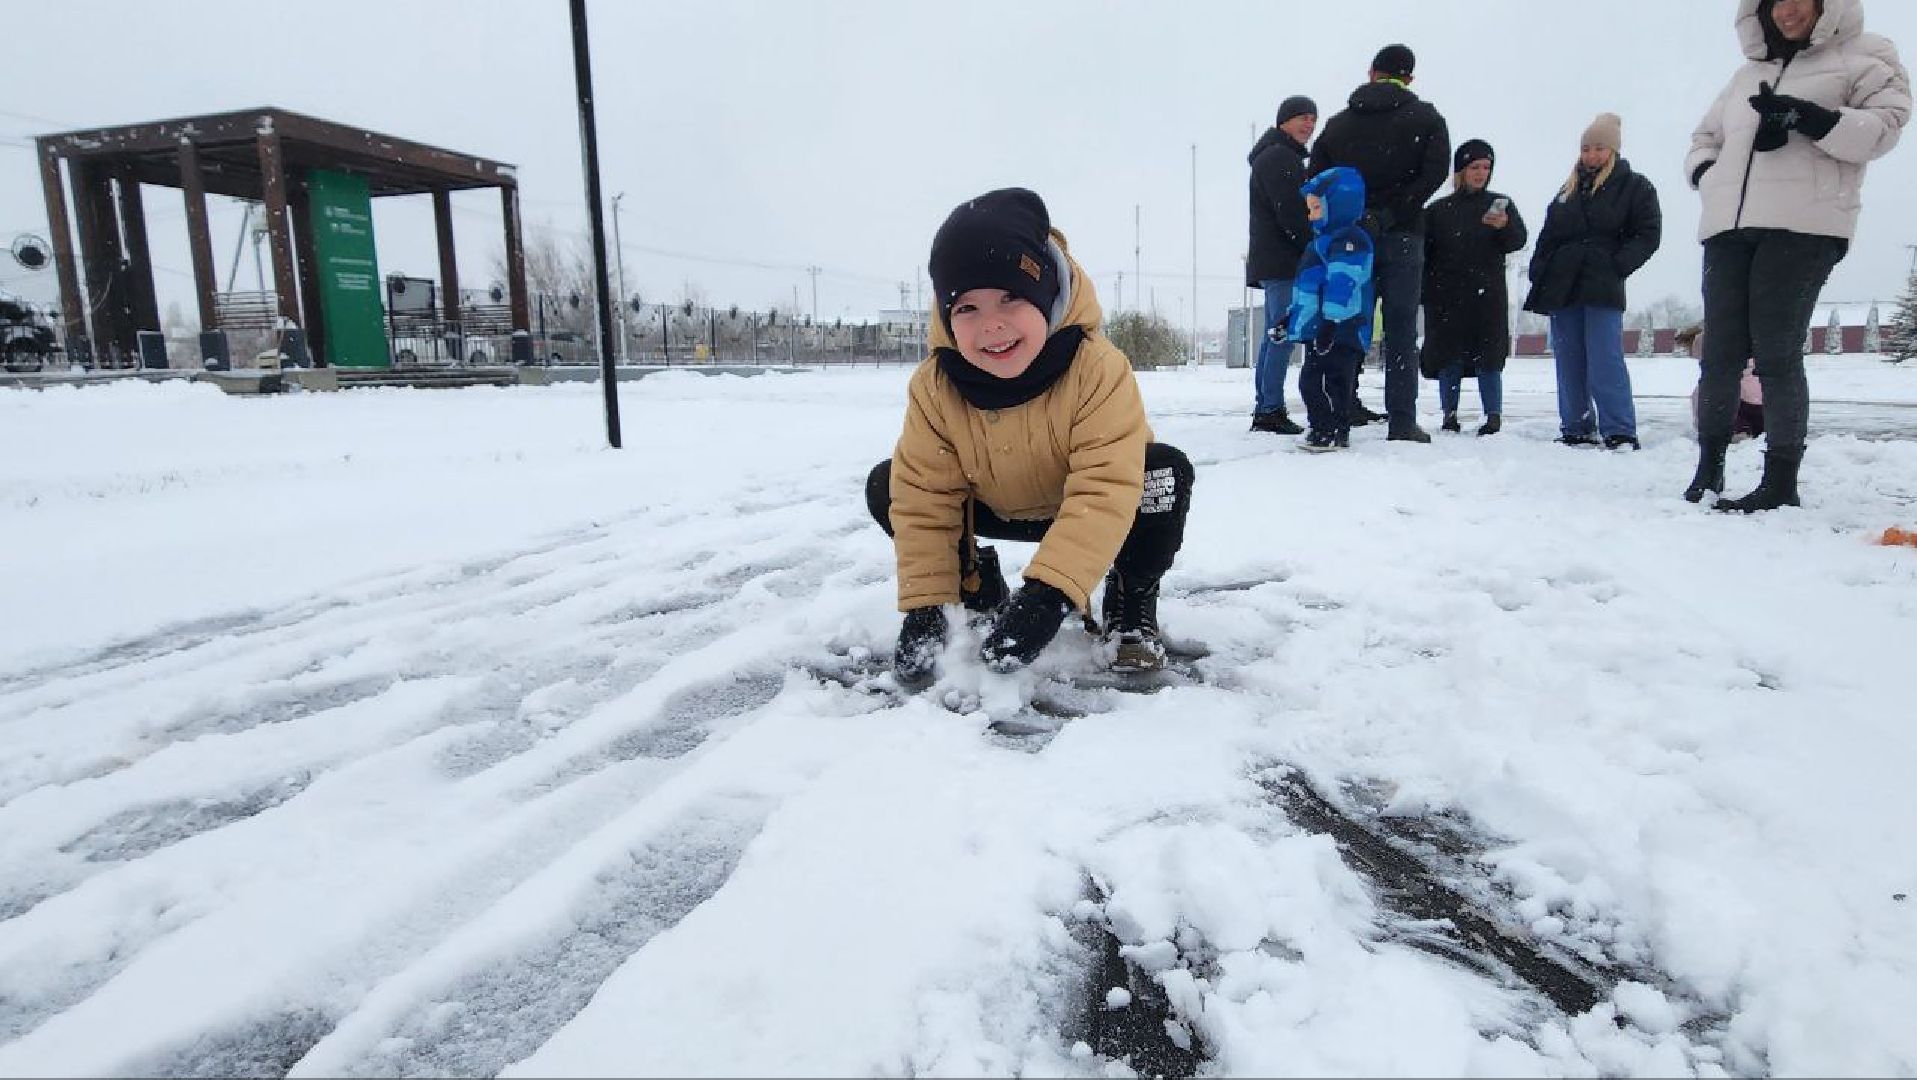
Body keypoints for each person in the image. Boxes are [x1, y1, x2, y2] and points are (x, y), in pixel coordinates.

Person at [864, 188, 1195, 683]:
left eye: (1010, 297)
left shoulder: (1098, 369)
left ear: (1045, 295)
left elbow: (1104, 488)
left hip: (1084, 509)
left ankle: (1131, 602)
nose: (991, 324)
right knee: (890, 484)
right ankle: (975, 588)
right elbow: (926, 496)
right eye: (967, 308)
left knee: (1161, 473)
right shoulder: (935, 385)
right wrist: (926, 606)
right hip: (995, 504)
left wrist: (1049, 596)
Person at [1682, 0, 1909, 511]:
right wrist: (1708, 175)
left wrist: (1810, 118)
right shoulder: (1747, 74)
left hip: (1803, 225)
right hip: (1728, 227)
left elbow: (1887, 124)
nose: (1785, 11)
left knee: (1775, 353)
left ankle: (1780, 481)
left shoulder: (1865, 54)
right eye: (1773, 1)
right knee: (1719, 353)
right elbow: (1705, 137)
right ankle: (1708, 467)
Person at [1309, 43, 1452, 443]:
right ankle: (1402, 419)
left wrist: (1352, 215)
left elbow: (1317, 178)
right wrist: (1392, 213)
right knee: (1401, 329)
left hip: (1351, 238)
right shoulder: (1427, 119)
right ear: (1409, 78)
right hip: (1404, 235)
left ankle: (1338, 414)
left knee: (1348, 321)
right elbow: (1435, 173)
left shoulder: (1338, 126)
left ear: (1371, 73)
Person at [1522, 112, 1663, 450]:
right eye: (1586, 149)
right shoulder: (1566, 192)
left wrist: (1618, 264)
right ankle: (1576, 425)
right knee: (1569, 360)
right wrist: (1540, 271)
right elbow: (1547, 237)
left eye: (1599, 148)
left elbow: (1648, 233)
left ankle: (1619, 429)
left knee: (1604, 359)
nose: (1592, 155)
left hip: (1602, 283)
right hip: (1563, 284)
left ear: (1612, 150)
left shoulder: (1635, 187)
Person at [1419, 139, 1529, 436]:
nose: (1481, 173)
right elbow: (1424, 254)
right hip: (1446, 295)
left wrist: (1504, 226)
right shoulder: (1438, 211)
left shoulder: (1500, 205)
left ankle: (1493, 415)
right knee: (1449, 357)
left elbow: (1517, 241)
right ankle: (1449, 414)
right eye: (1474, 167)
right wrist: (1425, 293)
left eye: (1486, 167)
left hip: (1487, 295)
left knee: (1489, 358)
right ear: (1461, 170)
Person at [1287, 167, 1375, 451]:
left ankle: (1334, 428)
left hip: (1342, 329)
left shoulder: (1349, 240)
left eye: (1316, 208)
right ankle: (1321, 426)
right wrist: (1289, 319)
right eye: (1310, 209)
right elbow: (1306, 290)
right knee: (1310, 382)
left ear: (1338, 205)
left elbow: (1343, 283)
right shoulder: (1319, 243)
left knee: (1335, 382)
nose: (1311, 215)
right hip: (1320, 330)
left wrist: (1332, 321)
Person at [1246, 95, 1317, 435]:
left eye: (1312, 118)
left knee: (1274, 334)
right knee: (1283, 335)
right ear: (1283, 121)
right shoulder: (1280, 157)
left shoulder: (1274, 155)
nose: (1309, 124)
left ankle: (1266, 404)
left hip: (1274, 260)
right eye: (1302, 117)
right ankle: (1269, 409)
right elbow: (1290, 213)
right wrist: (1312, 245)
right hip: (1283, 261)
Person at [1679, 324, 1766, 441]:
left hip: (1742, 407)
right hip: (1765, 408)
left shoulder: (1719, 372)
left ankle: (1738, 431)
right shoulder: (1753, 347)